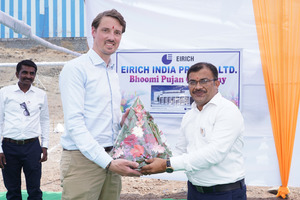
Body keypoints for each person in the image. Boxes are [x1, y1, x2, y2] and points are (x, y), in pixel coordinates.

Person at [59, 9, 141, 200]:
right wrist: (108, 162)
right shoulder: (76, 69)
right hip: (83, 161)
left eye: (117, 33)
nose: (112, 37)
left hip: (111, 155)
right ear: (93, 31)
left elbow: (99, 117)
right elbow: (75, 124)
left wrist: (122, 121)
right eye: (106, 30)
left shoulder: (112, 71)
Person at [141, 62, 246, 200]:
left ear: (217, 83)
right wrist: (144, 162)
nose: (198, 87)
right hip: (194, 191)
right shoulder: (189, 115)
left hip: (224, 193)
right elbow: (181, 151)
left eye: (204, 81)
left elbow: (214, 154)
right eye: (192, 82)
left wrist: (166, 165)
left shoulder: (227, 111)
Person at [0, 59, 50, 200]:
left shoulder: (41, 95)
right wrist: (0, 149)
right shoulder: (5, 93)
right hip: (9, 147)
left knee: (34, 189)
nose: (28, 76)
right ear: (17, 74)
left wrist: (44, 145)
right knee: (12, 190)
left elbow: (45, 120)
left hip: (32, 147)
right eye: (24, 73)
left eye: (32, 73)